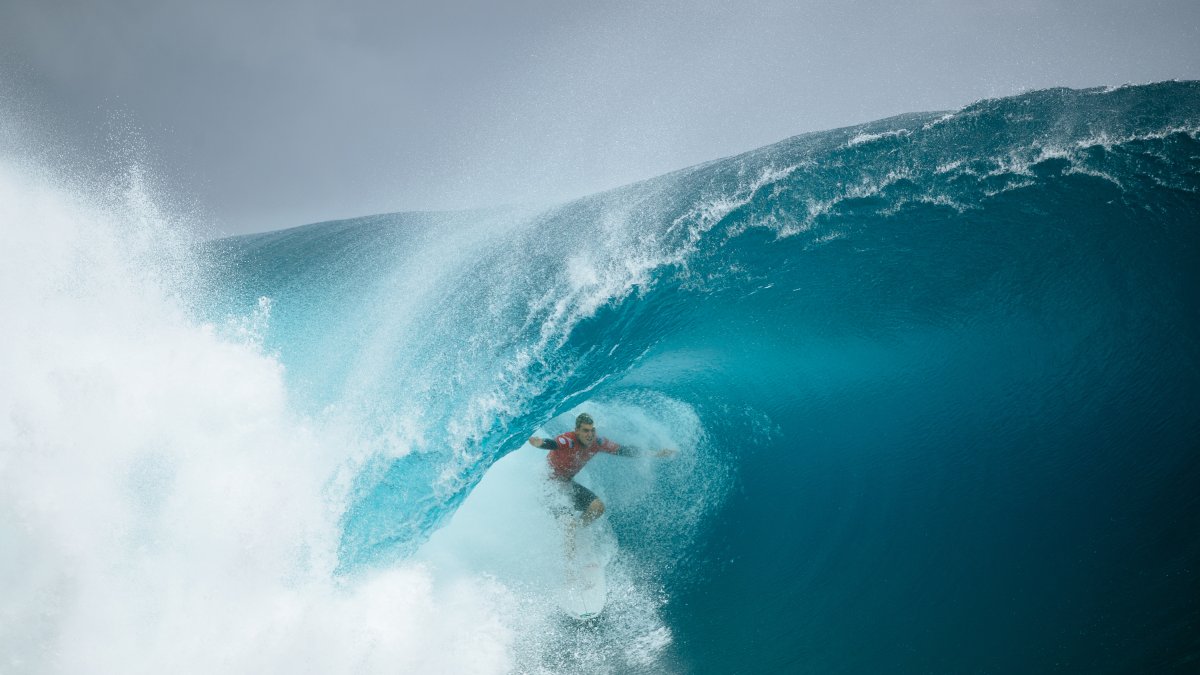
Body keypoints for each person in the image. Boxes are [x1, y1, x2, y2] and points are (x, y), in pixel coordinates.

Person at [528, 412, 674, 527]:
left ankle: (578, 534)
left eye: (592, 430)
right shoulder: (568, 440)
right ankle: (569, 564)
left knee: (597, 508)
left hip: (566, 484)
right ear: (577, 430)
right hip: (548, 485)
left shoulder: (597, 443)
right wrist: (540, 443)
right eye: (585, 431)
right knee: (569, 523)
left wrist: (655, 453)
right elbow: (553, 444)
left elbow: (624, 450)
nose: (590, 435)